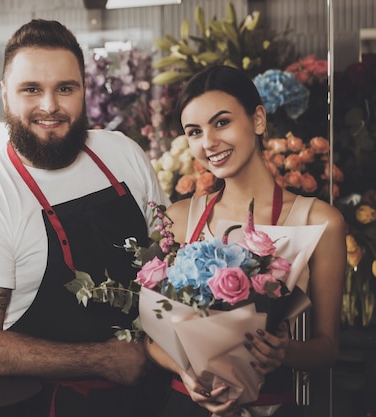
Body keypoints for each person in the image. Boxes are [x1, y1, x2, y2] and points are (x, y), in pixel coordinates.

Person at [0, 19, 171, 417]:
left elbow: (168, 265)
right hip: (49, 405)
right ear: (4, 95)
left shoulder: (123, 155)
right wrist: (102, 359)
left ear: (84, 90)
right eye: (31, 89)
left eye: (65, 89)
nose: (49, 106)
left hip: (152, 394)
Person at [145, 65, 346, 417]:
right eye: (195, 131)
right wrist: (185, 372)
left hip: (272, 408)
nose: (208, 143)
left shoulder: (320, 221)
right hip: (185, 405)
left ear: (257, 119)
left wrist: (286, 352)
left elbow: (328, 349)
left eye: (221, 122)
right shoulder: (177, 218)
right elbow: (150, 338)